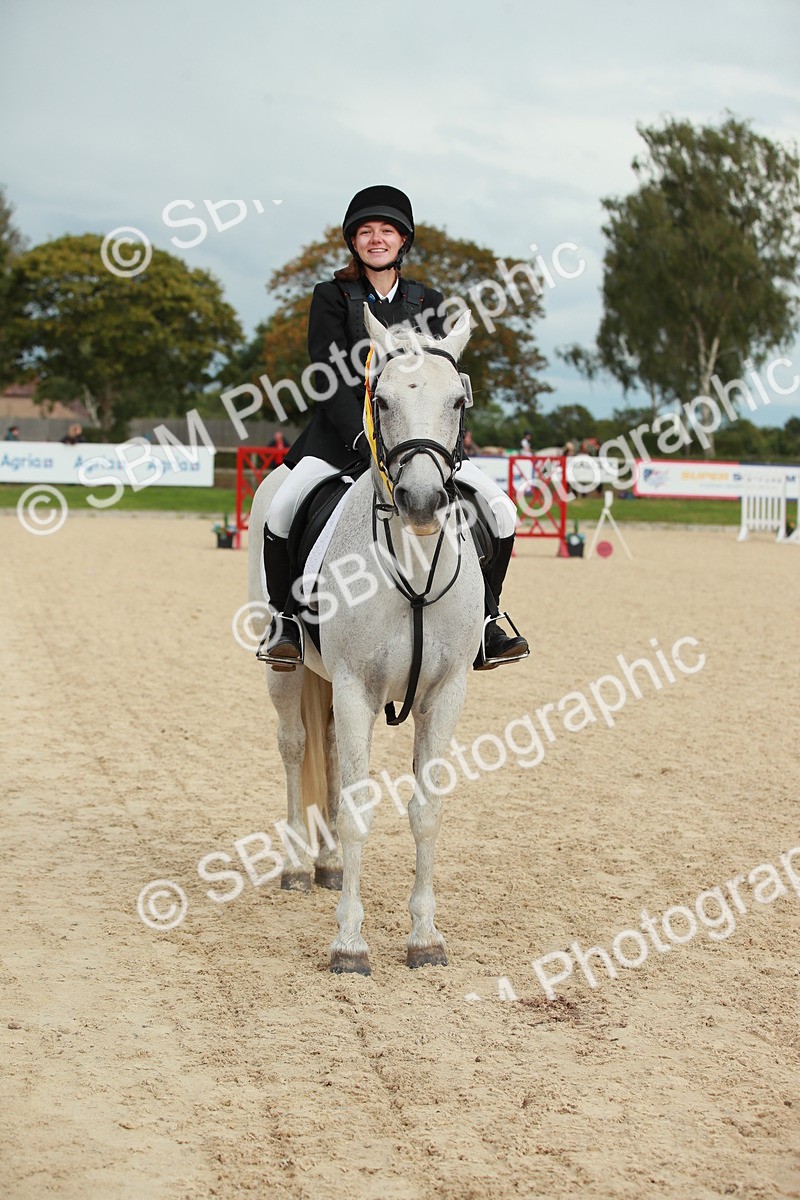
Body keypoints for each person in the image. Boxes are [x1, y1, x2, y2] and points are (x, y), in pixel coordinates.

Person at [261, 185, 528, 672]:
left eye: (386, 231)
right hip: (341, 439)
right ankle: (286, 622)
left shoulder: (428, 299)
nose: (376, 239)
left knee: (502, 510)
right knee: (281, 507)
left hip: (416, 442)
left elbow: (438, 379)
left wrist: (436, 442)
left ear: (403, 240)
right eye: (366, 231)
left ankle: (488, 619)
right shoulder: (331, 296)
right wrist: (362, 439)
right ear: (353, 241)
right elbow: (325, 377)